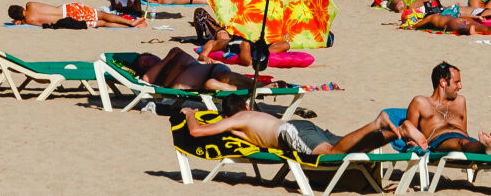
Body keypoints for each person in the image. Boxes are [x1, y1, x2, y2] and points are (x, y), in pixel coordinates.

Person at [180, 100, 420, 157]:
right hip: (299, 126)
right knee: (351, 149)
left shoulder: (236, 119)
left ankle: (378, 123)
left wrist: (191, 113)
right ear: (245, 104)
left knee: (334, 155)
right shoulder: (254, 112)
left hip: (290, 133)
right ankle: (392, 133)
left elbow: (196, 132)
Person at [405, 62, 491, 154]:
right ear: (443, 83)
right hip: (439, 140)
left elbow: (464, 131)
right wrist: (412, 142)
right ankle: (486, 146)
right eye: (456, 82)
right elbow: (408, 131)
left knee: (464, 141)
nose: (460, 86)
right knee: (462, 143)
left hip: (466, 141)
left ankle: (487, 144)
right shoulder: (421, 102)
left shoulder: (460, 101)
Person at [129, 47, 266, 92]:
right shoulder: (152, 75)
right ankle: (253, 89)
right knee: (212, 84)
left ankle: (260, 85)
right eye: (144, 65)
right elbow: (146, 79)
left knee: (224, 76)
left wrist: (167, 82)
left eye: (147, 58)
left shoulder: (174, 54)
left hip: (211, 69)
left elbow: (178, 54)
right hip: (206, 84)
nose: (147, 63)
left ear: (155, 55)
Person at [6, 1, 146, 28]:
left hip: (68, 19)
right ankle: (130, 22)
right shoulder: (30, 4)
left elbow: (40, 23)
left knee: (101, 23)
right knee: (101, 14)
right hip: (68, 9)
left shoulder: (28, 20)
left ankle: (130, 26)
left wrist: (20, 22)